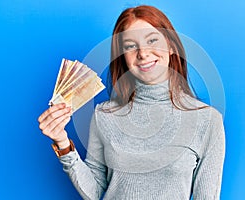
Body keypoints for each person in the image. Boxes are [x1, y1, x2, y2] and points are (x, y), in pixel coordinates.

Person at [38, 5, 225, 200]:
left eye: (152, 40)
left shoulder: (207, 120)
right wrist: (62, 142)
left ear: (170, 46)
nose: (143, 53)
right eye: (130, 46)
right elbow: (93, 192)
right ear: (123, 57)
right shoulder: (104, 115)